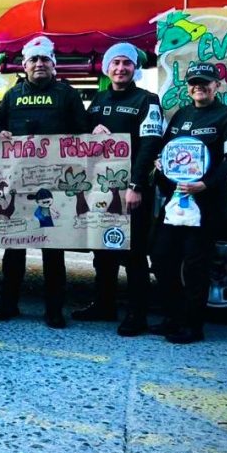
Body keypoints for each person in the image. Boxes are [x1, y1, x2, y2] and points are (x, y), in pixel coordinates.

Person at [0, 36, 89, 329]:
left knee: (53, 250)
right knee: (14, 248)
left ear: (53, 64)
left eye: (45, 59)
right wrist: (1, 134)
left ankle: (54, 310)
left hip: (55, 184)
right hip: (18, 183)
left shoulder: (67, 94)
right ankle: (8, 304)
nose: (39, 64)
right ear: (24, 65)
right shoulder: (12, 95)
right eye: (33, 59)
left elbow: (83, 133)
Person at [151, 61, 227, 344]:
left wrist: (205, 184)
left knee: (195, 264)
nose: (198, 87)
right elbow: (167, 149)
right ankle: (172, 318)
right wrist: (161, 162)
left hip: (207, 203)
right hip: (177, 200)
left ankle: (193, 326)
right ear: (188, 87)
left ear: (217, 85)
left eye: (205, 82)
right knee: (161, 256)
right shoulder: (181, 114)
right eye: (193, 82)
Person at [73, 43, 163, 336]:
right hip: (101, 189)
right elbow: (81, 138)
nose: (121, 68)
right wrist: (91, 131)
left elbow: (150, 145)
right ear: (107, 68)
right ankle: (104, 305)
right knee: (103, 251)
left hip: (133, 190)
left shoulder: (147, 100)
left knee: (133, 254)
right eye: (116, 63)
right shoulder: (99, 100)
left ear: (135, 68)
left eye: (127, 63)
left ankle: (137, 315)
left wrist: (136, 185)